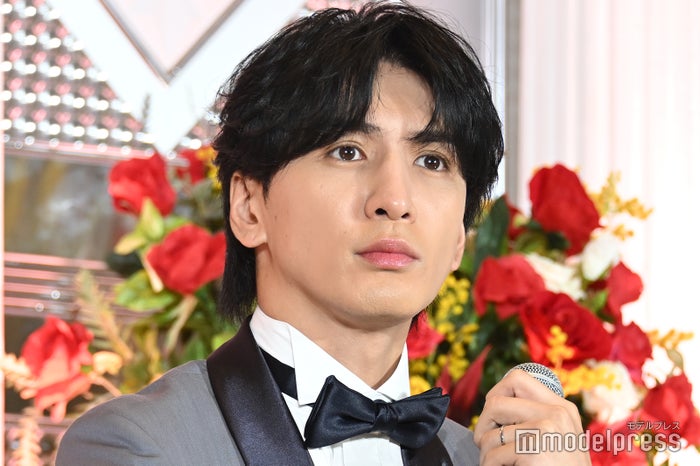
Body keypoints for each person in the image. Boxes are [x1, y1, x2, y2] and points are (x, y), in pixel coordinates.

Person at [56, 2, 590, 465]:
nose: (395, 200)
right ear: (249, 207)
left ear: (459, 238)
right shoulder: (139, 445)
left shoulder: (486, 458)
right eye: (347, 151)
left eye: (432, 160)